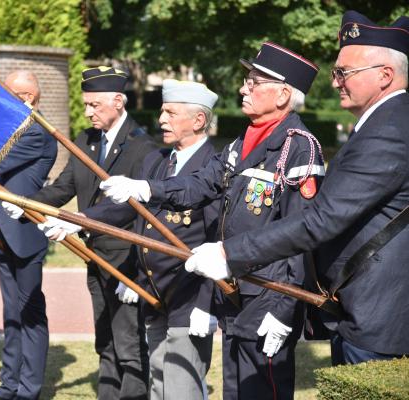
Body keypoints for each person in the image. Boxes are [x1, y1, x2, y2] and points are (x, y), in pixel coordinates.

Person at [100, 43, 325, 399]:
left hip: (270, 294)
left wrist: (285, 311)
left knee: (262, 390)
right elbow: (202, 183)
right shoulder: (244, 140)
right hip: (236, 291)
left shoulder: (299, 147)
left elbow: (303, 235)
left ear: (283, 94)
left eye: (253, 83)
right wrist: (145, 188)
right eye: (246, 81)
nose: (242, 89)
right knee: (234, 390)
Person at [215, 11, 409, 366]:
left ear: (385, 76)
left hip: (374, 316)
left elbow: (322, 218)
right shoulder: (381, 123)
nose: (335, 82)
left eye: (343, 73)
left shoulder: (391, 129)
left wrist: (230, 253)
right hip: (357, 307)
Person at [43, 79, 221, 399]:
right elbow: (130, 214)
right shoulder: (159, 161)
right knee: (158, 380)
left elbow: (215, 237)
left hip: (188, 295)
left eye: (170, 113)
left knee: (182, 387)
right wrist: (79, 221)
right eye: (162, 112)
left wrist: (207, 303)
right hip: (154, 292)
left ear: (198, 120)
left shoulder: (213, 166)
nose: (161, 120)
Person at [4, 66, 156, 399]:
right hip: (94, 254)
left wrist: (80, 219)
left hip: (126, 257)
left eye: (95, 106)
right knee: (104, 339)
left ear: (118, 101)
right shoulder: (86, 141)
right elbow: (62, 188)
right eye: (85, 105)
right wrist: (27, 205)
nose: (87, 112)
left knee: (128, 342)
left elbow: (129, 206)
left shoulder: (142, 146)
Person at [0, 70, 58, 400]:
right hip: (4, 231)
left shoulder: (36, 132)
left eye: (8, 92)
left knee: (29, 312)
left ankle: (28, 388)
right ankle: (8, 383)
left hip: (26, 234)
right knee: (10, 313)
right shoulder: (14, 127)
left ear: (27, 97)